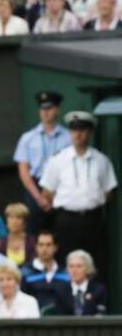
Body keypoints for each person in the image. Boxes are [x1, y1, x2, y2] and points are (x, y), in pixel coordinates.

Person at [39, 111, 116, 273]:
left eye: (82, 130)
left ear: (89, 132)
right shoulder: (58, 160)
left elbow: (109, 191)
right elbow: (48, 191)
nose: (78, 135)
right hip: (67, 220)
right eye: (74, 130)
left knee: (97, 263)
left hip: (93, 219)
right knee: (67, 262)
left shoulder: (101, 160)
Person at [13, 91, 70, 234]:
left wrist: (53, 195)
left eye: (49, 108)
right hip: (35, 187)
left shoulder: (68, 137)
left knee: (61, 231)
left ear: (57, 109)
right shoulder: (28, 137)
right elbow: (23, 170)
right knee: (33, 232)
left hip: (61, 187)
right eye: (42, 108)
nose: (45, 112)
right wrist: (38, 197)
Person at [20, 231, 71, 312]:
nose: (44, 248)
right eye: (41, 245)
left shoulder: (65, 272)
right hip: (33, 321)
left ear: (55, 247)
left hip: (61, 321)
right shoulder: (25, 272)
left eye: (48, 245)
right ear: (36, 247)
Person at [63, 250, 107, 317]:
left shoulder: (98, 290)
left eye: (79, 266)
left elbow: (100, 314)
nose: (74, 270)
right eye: (71, 266)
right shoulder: (61, 290)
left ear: (88, 269)